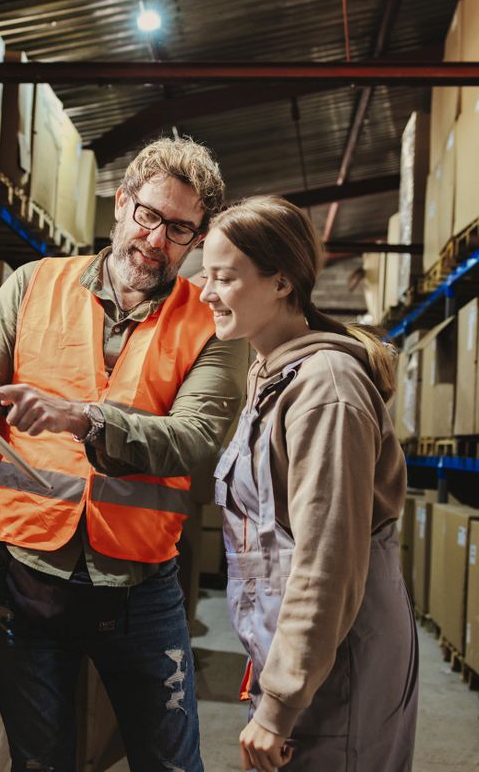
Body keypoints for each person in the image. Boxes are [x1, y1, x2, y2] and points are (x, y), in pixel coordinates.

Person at [0, 137, 248, 772]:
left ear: (197, 240)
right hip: (24, 575)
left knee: (172, 766)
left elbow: (193, 439)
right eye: (149, 215)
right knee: (41, 764)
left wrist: (87, 419)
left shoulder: (213, 324)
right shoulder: (33, 285)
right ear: (121, 204)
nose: (157, 241)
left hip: (140, 587)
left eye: (180, 229)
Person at [199, 195, 418, 772]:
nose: (206, 293)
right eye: (205, 275)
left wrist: (280, 702)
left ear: (280, 281)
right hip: (305, 654)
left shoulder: (325, 389)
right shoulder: (271, 375)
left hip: (340, 659)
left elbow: (327, 560)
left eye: (224, 277)